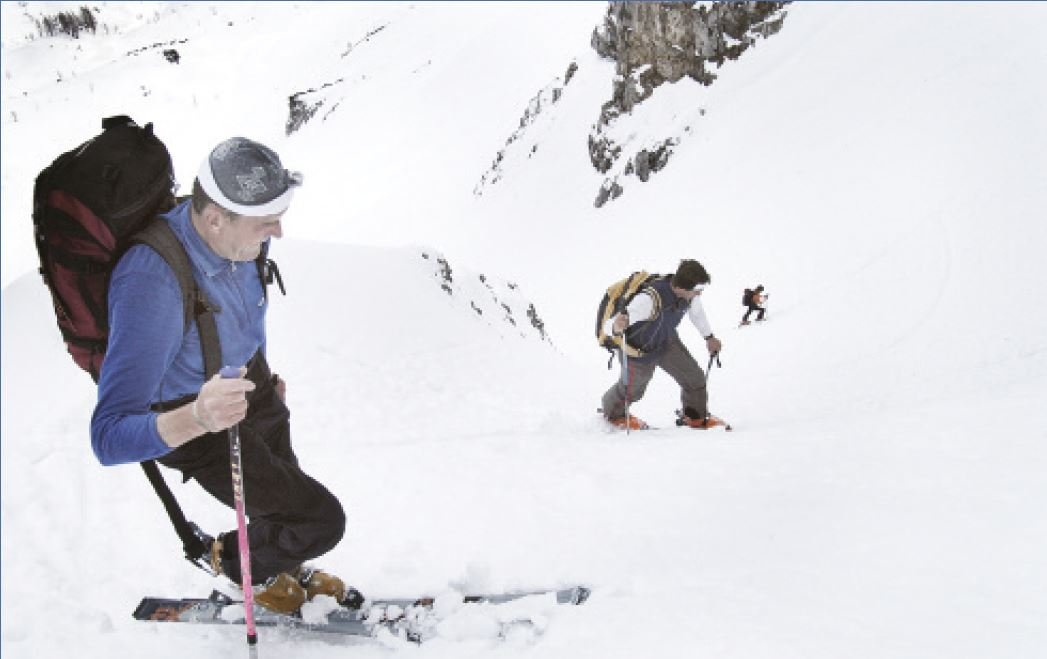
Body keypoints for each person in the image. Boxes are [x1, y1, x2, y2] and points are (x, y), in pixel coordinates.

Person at [91, 137, 352, 614]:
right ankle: (234, 563)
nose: (278, 231)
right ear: (214, 218)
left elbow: (246, 306)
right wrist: (199, 417)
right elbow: (107, 437)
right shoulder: (150, 283)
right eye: (267, 221)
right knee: (318, 520)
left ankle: (276, 568)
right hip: (191, 418)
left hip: (246, 384)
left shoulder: (241, 238)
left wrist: (261, 368)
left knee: (285, 502)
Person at [600, 259, 726, 430]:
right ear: (682, 288)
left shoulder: (690, 296)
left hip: (666, 342)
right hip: (638, 352)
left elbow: (697, 313)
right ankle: (613, 414)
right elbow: (608, 326)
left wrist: (709, 337)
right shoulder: (648, 300)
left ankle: (695, 417)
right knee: (632, 391)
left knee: (694, 378)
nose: (699, 294)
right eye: (697, 290)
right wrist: (616, 326)